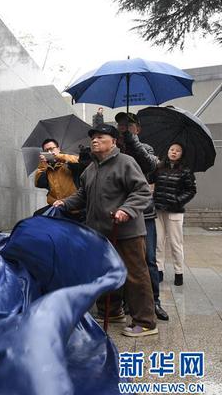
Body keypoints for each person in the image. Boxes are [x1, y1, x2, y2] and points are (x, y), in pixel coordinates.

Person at [53, 124, 158, 337]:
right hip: (100, 233)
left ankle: (146, 322)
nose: (94, 140)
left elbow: (142, 191)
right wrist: (64, 203)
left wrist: (126, 210)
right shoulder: (90, 169)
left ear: (114, 141)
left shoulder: (126, 163)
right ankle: (111, 311)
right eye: (93, 137)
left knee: (135, 276)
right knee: (105, 273)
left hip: (126, 231)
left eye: (101, 137)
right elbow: (82, 195)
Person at [115, 112, 168, 321]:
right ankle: (128, 301)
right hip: (119, 212)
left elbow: (148, 165)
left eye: (128, 124)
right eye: (120, 124)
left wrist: (132, 140)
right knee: (123, 259)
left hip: (144, 213)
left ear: (138, 128)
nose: (123, 126)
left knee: (149, 260)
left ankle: (154, 301)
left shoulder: (146, 148)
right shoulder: (114, 150)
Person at [150, 142, 197, 286]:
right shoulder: (159, 167)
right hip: (158, 209)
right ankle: (159, 270)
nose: (174, 152)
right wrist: (152, 165)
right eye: (172, 149)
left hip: (175, 211)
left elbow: (191, 190)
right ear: (168, 151)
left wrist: (177, 201)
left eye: (178, 151)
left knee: (176, 243)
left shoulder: (186, 171)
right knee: (158, 243)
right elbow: (150, 179)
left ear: (181, 154)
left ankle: (179, 272)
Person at [33, 138, 81, 219]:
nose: (49, 152)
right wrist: (42, 164)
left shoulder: (67, 161)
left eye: (52, 149)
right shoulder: (46, 168)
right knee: (37, 216)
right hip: (57, 206)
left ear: (58, 149)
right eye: (46, 150)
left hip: (74, 206)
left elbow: (80, 162)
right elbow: (38, 183)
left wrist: (59, 156)